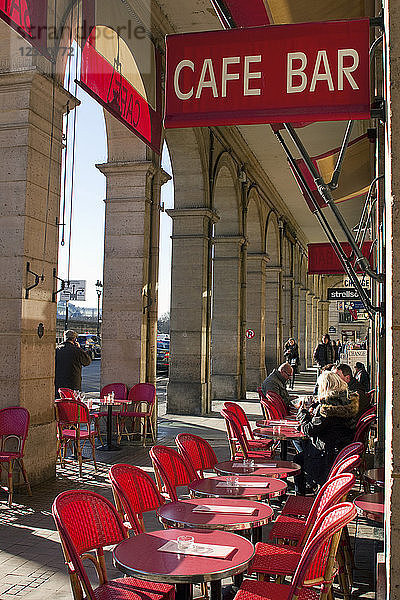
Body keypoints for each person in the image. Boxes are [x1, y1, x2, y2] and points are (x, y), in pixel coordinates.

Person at [294, 370, 359, 495]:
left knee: (298, 458)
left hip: (324, 456)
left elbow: (309, 430)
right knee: (302, 448)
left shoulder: (327, 407)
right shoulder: (346, 400)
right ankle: (308, 487)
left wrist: (303, 412)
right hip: (339, 450)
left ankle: (302, 494)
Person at [55, 330, 92, 395]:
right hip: (73, 382)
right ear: (74, 339)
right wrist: (80, 349)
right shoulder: (77, 350)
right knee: (73, 402)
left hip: (59, 382)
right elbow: (87, 362)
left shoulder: (57, 349)